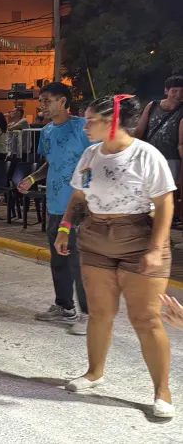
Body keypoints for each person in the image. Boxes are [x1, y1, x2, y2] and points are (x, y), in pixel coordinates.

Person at [57, 95, 175, 419]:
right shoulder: (90, 154)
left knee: (146, 319)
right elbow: (79, 195)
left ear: (112, 121)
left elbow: (165, 204)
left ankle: (162, 392)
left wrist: (154, 248)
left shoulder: (146, 155)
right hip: (96, 239)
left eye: (90, 120)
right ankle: (94, 373)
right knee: (99, 314)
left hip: (138, 240)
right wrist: (65, 227)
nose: (85, 126)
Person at [18, 82, 91, 335]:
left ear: (63, 101)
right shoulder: (47, 132)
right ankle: (64, 306)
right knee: (59, 259)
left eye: (47, 100)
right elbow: (49, 164)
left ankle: (88, 314)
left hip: (80, 207)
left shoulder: (83, 128)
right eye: (41, 101)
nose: (42, 105)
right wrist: (33, 178)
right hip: (55, 203)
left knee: (78, 261)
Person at [134, 75, 183, 185]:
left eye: (182, 91)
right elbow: (139, 130)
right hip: (150, 158)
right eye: (174, 91)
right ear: (166, 91)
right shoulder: (153, 106)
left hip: (173, 160)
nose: (179, 95)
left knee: (170, 192)